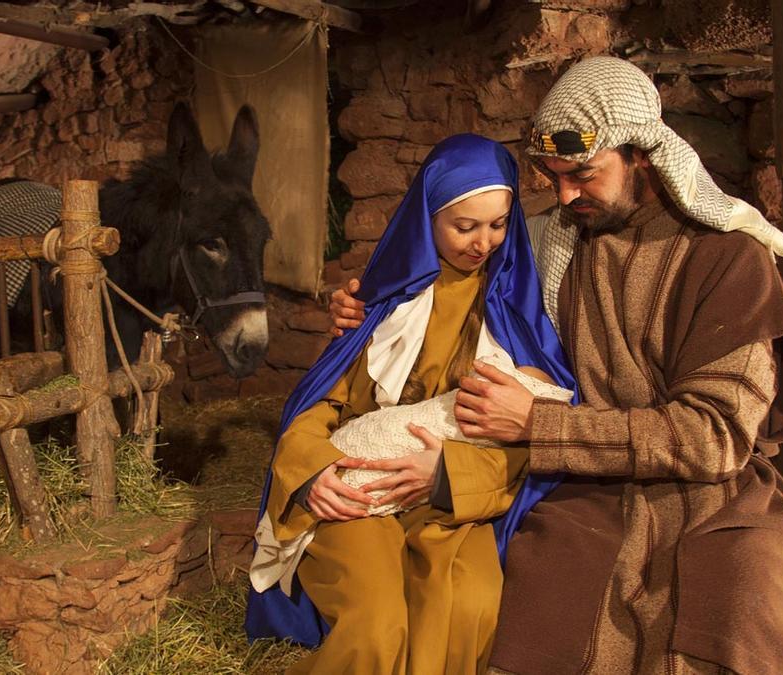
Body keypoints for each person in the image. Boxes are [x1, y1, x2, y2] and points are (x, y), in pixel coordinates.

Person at [328, 57, 783, 674]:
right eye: (552, 176)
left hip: (715, 496)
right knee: (540, 600)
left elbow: (714, 438)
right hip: (581, 489)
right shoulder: (547, 242)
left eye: (582, 174)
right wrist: (362, 307)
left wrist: (539, 424)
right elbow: (434, 281)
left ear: (642, 154)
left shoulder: (728, 260)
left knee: (740, 607)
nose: (565, 195)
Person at [244, 133, 578, 675]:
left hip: (454, 502)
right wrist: (312, 472)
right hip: (362, 493)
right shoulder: (383, 300)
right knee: (377, 626)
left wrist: (446, 474)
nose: (483, 243)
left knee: (466, 607)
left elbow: (535, 433)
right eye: (464, 227)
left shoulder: (516, 314)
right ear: (427, 217)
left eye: (498, 225)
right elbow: (320, 405)